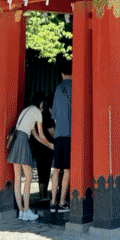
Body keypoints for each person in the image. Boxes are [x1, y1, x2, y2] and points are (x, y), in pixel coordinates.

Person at [6, 95, 52, 221]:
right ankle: (26, 210)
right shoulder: (37, 113)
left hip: (16, 141)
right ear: (40, 103)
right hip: (23, 142)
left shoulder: (26, 111)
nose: (43, 105)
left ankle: (22, 212)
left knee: (17, 178)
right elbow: (41, 135)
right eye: (43, 103)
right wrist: (50, 145)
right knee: (29, 177)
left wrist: (47, 145)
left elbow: (35, 135)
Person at [50, 57, 72, 213]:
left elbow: (54, 115)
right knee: (67, 169)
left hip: (58, 133)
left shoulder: (58, 89)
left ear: (62, 73)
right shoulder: (76, 87)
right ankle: (63, 201)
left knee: (56, 169)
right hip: (71, 134)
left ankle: (53, 202)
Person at [30, 92, 55, 205]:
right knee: (45, 171)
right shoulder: (46, 117)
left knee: (41, 171)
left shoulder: (34, 115)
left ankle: (42, 196)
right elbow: (52, 133)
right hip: (46, 148)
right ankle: (43, 196)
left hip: (38, 146)